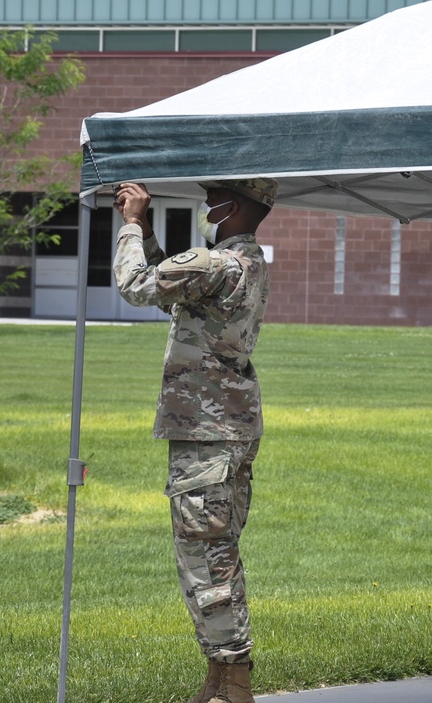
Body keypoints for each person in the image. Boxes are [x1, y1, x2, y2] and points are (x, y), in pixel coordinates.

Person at [113, 178, 278, 703]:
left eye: (212, 202)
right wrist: (151, 232)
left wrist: (131, 226)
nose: (206, 209)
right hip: (225, 427)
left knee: (207, 557)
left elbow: (136, 286)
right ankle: (220, 673)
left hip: (208, 433)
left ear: (235, 208)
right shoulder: (242, 264)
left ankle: (234, 680)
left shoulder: (215, 264)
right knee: (212, 550)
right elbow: (170, 289)